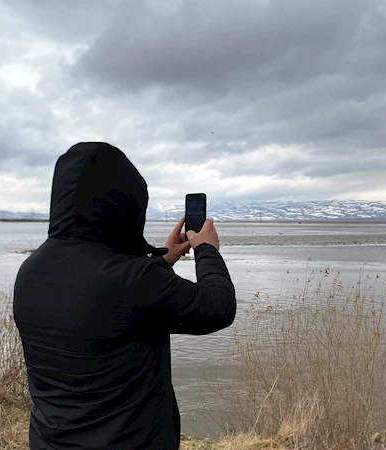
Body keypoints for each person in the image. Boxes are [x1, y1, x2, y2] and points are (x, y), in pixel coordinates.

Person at [13, 142, 237, 449]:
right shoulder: (135, 280)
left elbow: (104, 297)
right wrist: (206, 250)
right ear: (125, 205)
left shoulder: (31, 271)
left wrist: (161, 260)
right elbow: (218, 306)